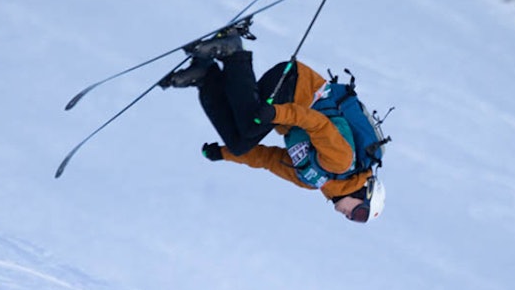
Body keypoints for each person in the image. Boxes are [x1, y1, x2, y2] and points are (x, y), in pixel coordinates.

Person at [160, 29, 380, 223]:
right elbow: (316, 123)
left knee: (239, 144)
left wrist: (224, 153)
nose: (351, 216)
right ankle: (233, 52)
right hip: (296, 85)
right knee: (250, 126)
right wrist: (276, 113)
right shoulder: (341, 161)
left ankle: (206, 76)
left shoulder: (311, 179)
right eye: (360, 213)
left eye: (357, 220)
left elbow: (269, 159)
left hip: (285, 104)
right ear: (364, 193)